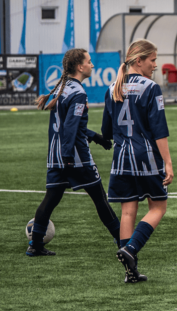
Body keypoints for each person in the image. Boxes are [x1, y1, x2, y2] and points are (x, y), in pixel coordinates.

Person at [26, 48, 119, 259]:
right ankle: (123, 240)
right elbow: (70, 127)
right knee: (100, 198)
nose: (92, 65)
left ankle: (35, 245)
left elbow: (69, 125)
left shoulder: (63, 87)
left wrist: (96, 137)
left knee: (51, 198)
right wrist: (69, 156)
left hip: (56, 155)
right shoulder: (78, 93)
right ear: (80, 67)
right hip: (76, 158)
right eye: (89, 61)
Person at [103, 39, 173, 284]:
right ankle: (131, 250)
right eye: (152, 60)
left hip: (121, 158)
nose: (155, 65)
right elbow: (159, 130)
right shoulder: (151, 88)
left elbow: (106, 131)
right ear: (139, 60)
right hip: (146, 158)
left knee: (127, 211)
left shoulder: (113, 88)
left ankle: (130, 272)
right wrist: (168, 162)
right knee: (158, 208)